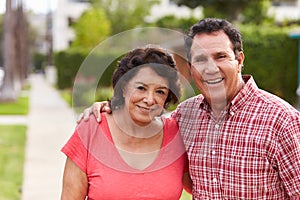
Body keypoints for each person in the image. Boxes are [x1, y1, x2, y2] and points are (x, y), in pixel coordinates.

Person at [80, 18, 300, 199]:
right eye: (201, 59)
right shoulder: (184, 117)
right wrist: (112, 107)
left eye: (220, 56)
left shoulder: (282, 121)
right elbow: (146, 115)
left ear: (240, 60)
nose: (211, 68)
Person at [61, 46, 192, 199]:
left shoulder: (177, 134)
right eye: (141, 88)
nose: (149, 99)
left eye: (160, 92)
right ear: (123, 87)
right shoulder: (91, 130)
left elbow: (204, 187)